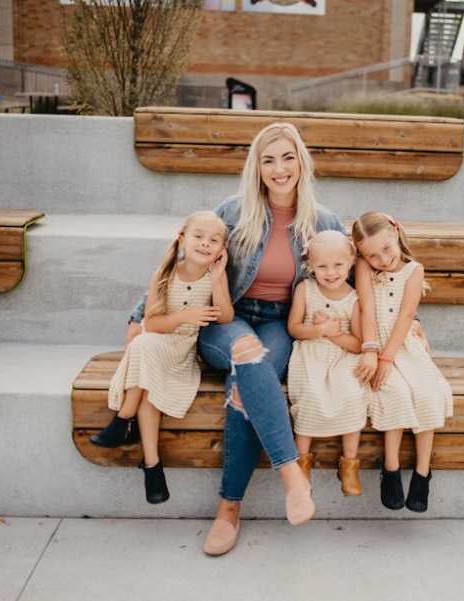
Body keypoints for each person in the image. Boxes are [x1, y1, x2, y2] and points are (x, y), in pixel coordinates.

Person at [125, 122, 345, 556]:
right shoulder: (232, 211)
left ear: (301, 161)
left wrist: (405, 324)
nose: (279, 169)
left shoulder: (324, 222)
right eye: (268, 160)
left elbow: (354, 280)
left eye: (287, 158)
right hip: (225, 318)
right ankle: (291, 475)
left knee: (250, 373)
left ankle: (228, 508)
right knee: (247, 354)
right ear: (256, 167)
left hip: (281, 324)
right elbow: (181, 261)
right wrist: (139, 317)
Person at [95, 211, 233, 505]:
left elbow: (226, 318)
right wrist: (186, 315)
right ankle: (152, 465)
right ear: (182, 238)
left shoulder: (213, 277)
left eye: (214, 240)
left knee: (143, 349)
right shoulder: (164, 273)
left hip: (181, 353)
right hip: (156, 344)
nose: (205, 244)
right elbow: (153, 323)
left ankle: (123, 421)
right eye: (198, 236)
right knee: (146, 353)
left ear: (222, 249)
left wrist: (219, 281)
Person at [352, 211, 453, 513]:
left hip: (402, 343)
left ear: (396, 233)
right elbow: (367, 308)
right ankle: (391, 468)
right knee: (392, 392)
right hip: (374, 342)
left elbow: (407, 316)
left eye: (385, 249)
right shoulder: (363, 267)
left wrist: (388, 356)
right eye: (372, 255)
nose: (382, 259)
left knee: (427, 394)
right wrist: (373, 351)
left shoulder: (414, 270)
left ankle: (423, 473)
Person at [286, 230, 366, 496]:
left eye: (338, 265)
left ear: (351, 261)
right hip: (310, 353)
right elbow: (294, 328)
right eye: (322, 266)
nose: (330, 272)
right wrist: (319, 332)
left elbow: (357, 343)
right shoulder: (305, 290)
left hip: (342, 355)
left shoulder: (354, 298)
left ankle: (349, 465)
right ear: (310, 265)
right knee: (309, 395)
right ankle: (301, 464)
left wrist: (333, 333)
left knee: (353, 395)